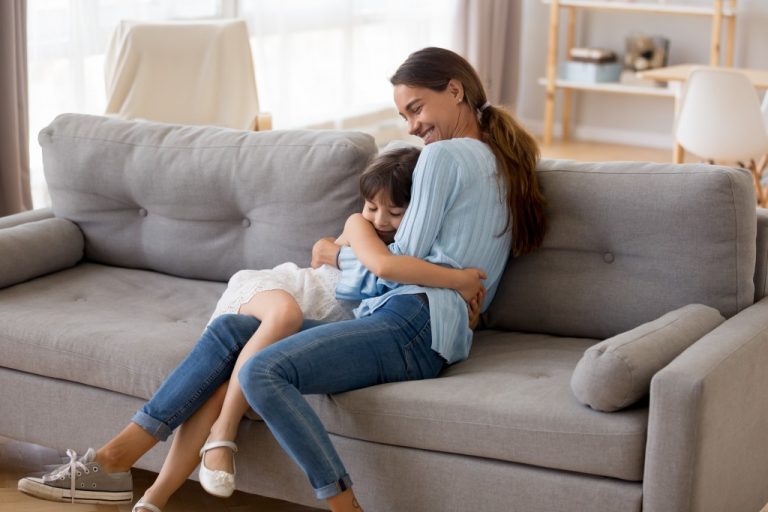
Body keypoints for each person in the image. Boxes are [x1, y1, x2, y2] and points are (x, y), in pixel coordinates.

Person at [19, 46, 546, 512]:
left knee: (262, 371)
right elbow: (423, 266)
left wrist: (347, 244)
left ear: (454, 91)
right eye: (404, 114)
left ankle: (344, 506)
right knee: (231, 332)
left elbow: (390, 266)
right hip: (420, 322)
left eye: (416, 108)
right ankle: (113, 461)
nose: (411, 126)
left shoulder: (442, 158)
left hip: (412, 321)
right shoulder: (503, 162)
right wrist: (448, 278)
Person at [17, 146, 485, 512]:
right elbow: (379, 266)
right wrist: (462, 280)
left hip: (310, 320)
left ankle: (142, 486)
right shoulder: (366, 231)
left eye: (395, 213)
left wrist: (340, 253)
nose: (380, 219)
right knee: (273, 324)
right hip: (283, 291)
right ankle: (215, 441)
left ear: (417, 209)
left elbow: (378, 272)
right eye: (372, 208)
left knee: (225, 374)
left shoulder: (418, 242)